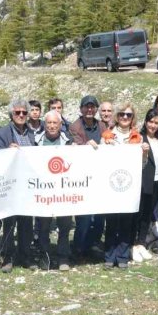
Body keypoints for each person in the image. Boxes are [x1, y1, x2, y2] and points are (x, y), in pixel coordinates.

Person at [99, 104, 144, 269]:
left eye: (129, 115)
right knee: (111, 222)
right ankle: (109, 255)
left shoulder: (138, 137)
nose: (125, 117)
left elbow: (143, 165)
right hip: (111, 184)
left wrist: (144, 152)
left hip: (128, 185)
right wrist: (105, 145)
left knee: (126, 222)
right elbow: (99, 159)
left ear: (133, 118)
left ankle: (123, 256)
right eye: (122, 114)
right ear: (117, 117)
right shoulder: (106, 135)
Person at [0, 100, 36, 272]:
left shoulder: (32, 134)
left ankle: (25, 256)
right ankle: (7, 257)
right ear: (11, 114)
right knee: (9, 223)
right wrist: (7, 152)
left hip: (28, 185)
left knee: (27, 223)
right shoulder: (2, 133)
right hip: (10, 185)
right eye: (17, 112)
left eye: (24, 113)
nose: (20, 115)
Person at [69, 95, 107, 258]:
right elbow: (75, 148)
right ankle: (78, 247)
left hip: (100, 177)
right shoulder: (74, 127)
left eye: (92, 107)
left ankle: (92, 245)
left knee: (99, 217)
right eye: (86, 107)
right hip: (82, 179)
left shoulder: (102, 125)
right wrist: (85, 146)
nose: (89, 109)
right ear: (81, 109)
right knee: (84, 218)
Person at [35, 111, 73, 271]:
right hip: (43, 191)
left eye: (55, 123)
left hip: (64, 190)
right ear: (45, 124)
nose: (51, 126)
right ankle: (45, 256)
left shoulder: (69, 141)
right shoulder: (36, 141)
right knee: (43, 226)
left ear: (60, 125)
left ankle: (63, 257)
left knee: (64, 226)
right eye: (48, 123)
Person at [135, 109, 158, 258]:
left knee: (149, 213)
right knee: (139, 212)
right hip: (143, 180)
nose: (153, 125)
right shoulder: (139, 138)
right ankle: (133, 243)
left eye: (156, 122)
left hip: (157, 181)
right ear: (146, 122)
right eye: (150, 121)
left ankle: (141, 242)